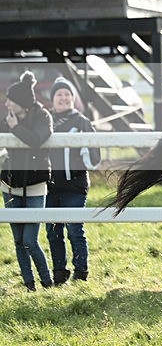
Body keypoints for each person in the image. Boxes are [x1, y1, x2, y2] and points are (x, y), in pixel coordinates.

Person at [0, 72, 53, 291]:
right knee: (18, 241)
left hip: (35, 185)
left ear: (21, 103)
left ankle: (47, 281)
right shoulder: (6, 117)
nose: (6, 103)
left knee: (30, 239)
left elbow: (36, 140)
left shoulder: (43, 116)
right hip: (9, 185)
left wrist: (14, 129)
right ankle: (29, 284)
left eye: (10, 100)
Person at [46, 77, 101, 285]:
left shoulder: (81, 121)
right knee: (53, 232)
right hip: (50, 188)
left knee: (75, 230)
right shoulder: (46, 120)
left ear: (73, 98)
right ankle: (59, 273)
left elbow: (95, 151)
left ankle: (81, 273)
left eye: (67, 94)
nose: (64, 98)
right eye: (59, 94)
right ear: (53, 99)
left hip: (74, 187)